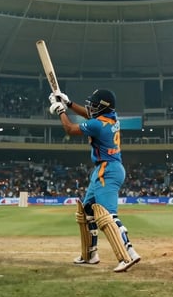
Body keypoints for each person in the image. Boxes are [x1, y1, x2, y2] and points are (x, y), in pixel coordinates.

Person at [48, 88, 141, 273]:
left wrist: (60, 111)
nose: (91, 107)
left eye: (95, 105)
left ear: (103, 107)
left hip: (107, 170)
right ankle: (90, 255)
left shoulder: (98, 125)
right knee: (86, 213)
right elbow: (89, 114)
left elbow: (69, 128)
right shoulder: (112, 116)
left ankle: (128, 253)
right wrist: (68, 103)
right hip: (106, 168)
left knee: (107, 216)